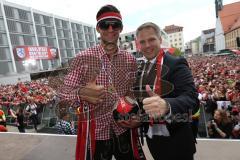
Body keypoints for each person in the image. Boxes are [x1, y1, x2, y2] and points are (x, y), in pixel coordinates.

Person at [59, 4, 145, 160]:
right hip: (96, 133)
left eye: (115, 24)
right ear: (98, 28)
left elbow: (133, 92)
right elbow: (64, 93)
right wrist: (81, 94)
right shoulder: (82, 58)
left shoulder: (130, 60)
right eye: (105, 24)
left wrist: (137, 115)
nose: (111, 29)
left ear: (121, 28)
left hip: (124, 129)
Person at [134, 22, 199, 160]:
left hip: (178, 142)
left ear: (160, 40)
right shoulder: (140, 69)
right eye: (142, 42)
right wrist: (137, 117)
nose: (147, 45)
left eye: (151, 39)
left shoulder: (177, 63)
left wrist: (167, 105)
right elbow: (143, 104)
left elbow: (192, 100)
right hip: (154, 141)